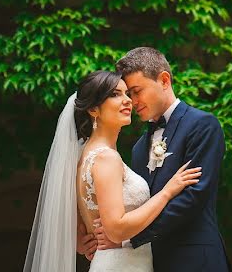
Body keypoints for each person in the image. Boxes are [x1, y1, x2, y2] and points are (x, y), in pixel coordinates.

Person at [23, 70, 202, 272]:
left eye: (127, 93)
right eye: (115, 94)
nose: (128, 101)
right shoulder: (106, 158)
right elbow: (116, 228)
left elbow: (76, 223)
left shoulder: (83, 156)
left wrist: (82, 242)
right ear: (93, 110)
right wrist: (167, 192)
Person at [95, 47, 232, 271]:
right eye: (129, 94)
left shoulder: (202, 125)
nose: (133, 101)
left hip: (196, 260)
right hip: (151, 263)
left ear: (164, 80)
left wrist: (128, 239)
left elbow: (192, 199)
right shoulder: (139, 148)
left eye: (137, 91)